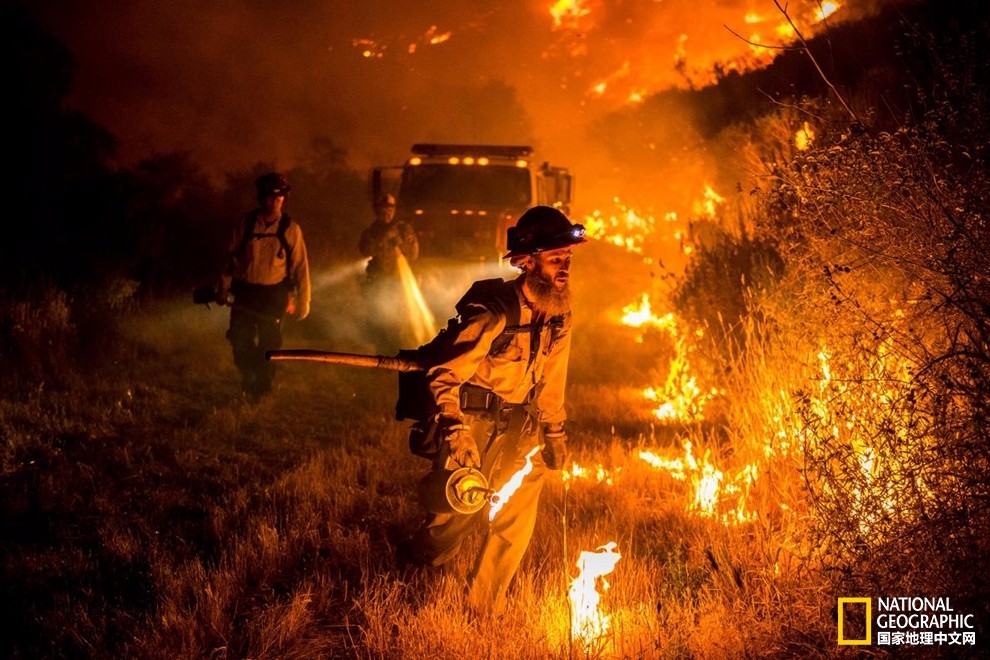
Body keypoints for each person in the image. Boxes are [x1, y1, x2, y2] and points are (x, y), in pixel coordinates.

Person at [396, 205, 587, 617]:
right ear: (527, 262)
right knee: (453, 518)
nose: (565, 267)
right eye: (556, 259)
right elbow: (445, 375)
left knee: (515, 521)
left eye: (567, 259)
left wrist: (554, 434)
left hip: (521, 430)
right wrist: (455, 431)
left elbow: (553, 380)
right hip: (474, 424)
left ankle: (484, 609)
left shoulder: (560, 315)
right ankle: (417, 562)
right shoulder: (494, 313)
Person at [218, 172, 311, 398]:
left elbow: (300, 267)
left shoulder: (291, 229)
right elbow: (231, 258)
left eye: (279, 198)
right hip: (246, 292)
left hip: (274, 294)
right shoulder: (246, 223)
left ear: (284, 199)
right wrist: (223, 287)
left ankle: (262, 383)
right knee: (240, 338)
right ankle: (248, 374)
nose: (275, 202)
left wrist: (304, 301)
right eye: (270, 197)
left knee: (270, 341)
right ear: (261, 198)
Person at [358, 192, 419, 352]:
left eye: (390, 209)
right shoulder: (371, 231)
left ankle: (394, 352)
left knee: (396, 319)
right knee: (378, 318)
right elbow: (365, 250)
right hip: (378, 280)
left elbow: (413, 254)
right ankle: (381, 353)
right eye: (384, 209)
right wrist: (383, 238)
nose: (388, 212)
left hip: (397, 281)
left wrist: (400, 242)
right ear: (378, 211)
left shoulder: (404, 229)